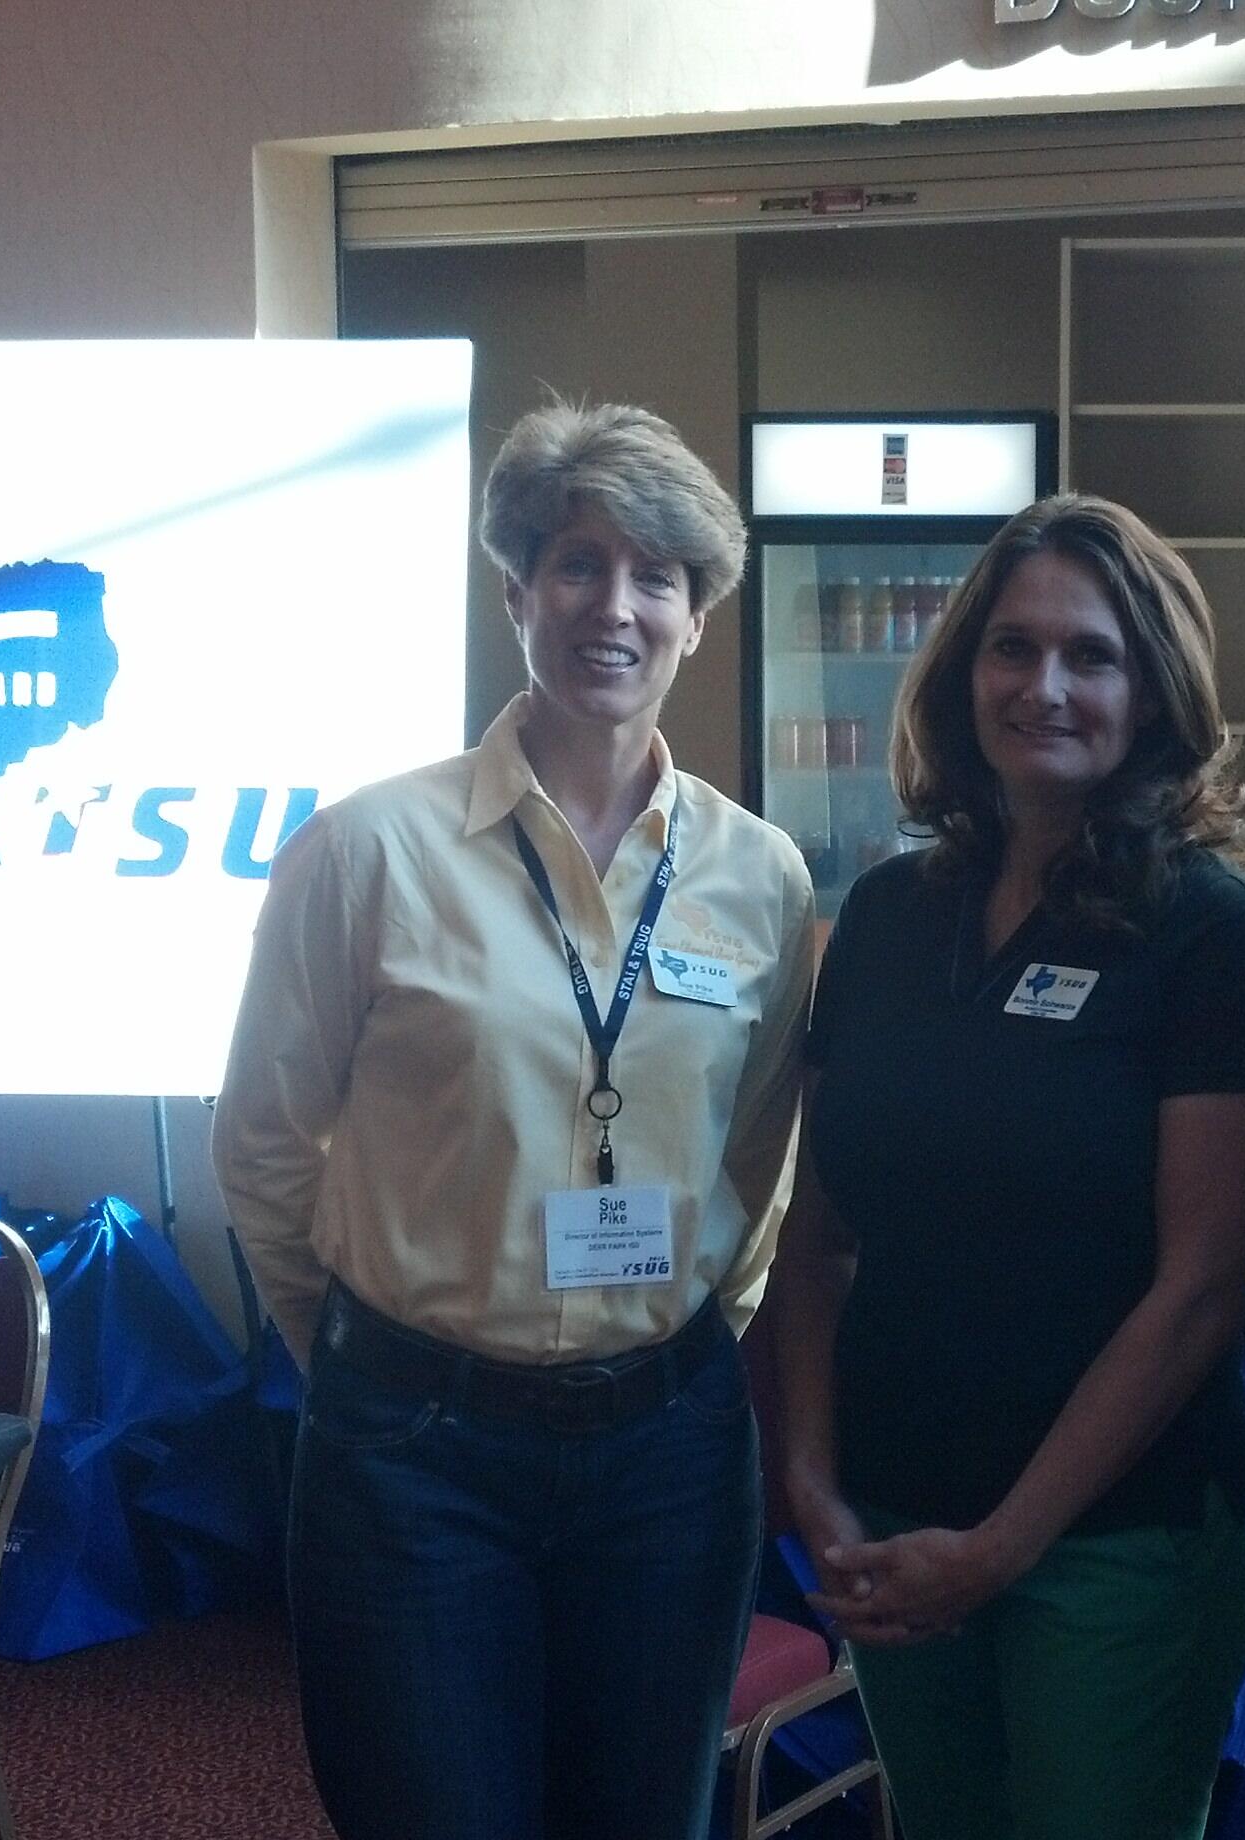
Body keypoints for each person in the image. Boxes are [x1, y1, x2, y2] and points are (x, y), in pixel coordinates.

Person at [212, 400, 814, 1840]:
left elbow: (756, 1153)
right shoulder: (367, 850)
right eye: (577, 564)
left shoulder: (761, 877)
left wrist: (681, 1335)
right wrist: (360, 1355)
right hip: (414, 1453)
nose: (615, 606)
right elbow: (265, 1143)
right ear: (515, 592)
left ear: (697, 618)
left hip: (668, 1454)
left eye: (656, 575)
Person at [761, 493, 1245, 1840]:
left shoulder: (1209, 932)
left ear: (1151, 690)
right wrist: (812, 1483)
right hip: (891, 1519)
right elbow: (817, 1241)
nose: (1043, 686)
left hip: (1111, 1546)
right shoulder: (885, 918)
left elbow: (1196, 1295)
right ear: (962, 673)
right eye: (1013, 647)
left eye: (1090, 655)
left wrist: (1001, 1548)